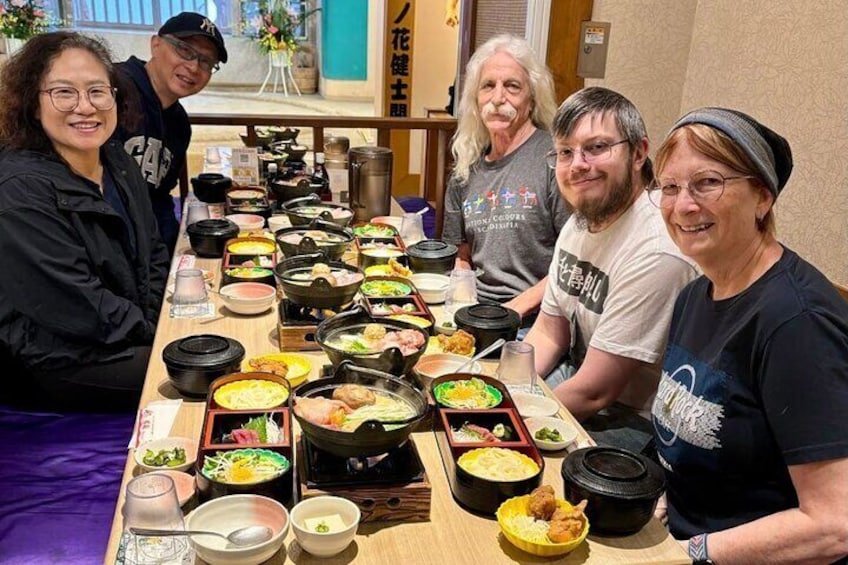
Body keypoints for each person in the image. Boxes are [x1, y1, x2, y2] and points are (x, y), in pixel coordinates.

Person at [648, 107, 848, 564]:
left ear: (763, 196)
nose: (683, 205)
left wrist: (686, 554)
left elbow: (834, 524)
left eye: (707, 183)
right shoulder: (697, 293)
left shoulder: (797, 322)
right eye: (670, 187)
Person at [0, 31, 170, 411]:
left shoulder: (116, 161)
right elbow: (77, 306)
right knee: (202, 371)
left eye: (97, 91)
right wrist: (157, 334)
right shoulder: (19, 191)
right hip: (55, 359)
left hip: (126, 332)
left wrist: (159, 321)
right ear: (32, 103)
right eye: (63, 92)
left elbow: (154, 251)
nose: (85, 106)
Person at [524, 87, 698, 453]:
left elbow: (596, 392)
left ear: (639, 153)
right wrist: (507, 390)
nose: (578, 164)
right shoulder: (581, 223)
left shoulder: (657, 249)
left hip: (637, 420)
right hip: (578, 379)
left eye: (597, 147)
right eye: (565, 152)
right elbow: (550, 333)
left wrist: (510, 419)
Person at [442, 34, 570, 325]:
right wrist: (464, 299)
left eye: (512, 86)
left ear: (532, 98)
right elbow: (460, 250)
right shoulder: (466, 165)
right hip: (476, 313)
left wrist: (511, 311)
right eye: (488, 86)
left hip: (537, 322)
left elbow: (576, 259)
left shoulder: (555, 159)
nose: (498, 98)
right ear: (476, 98)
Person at [114, 12, 228, 255]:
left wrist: (171, 252)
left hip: (145, 253)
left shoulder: (178, 124)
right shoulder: (110, 91)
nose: (194, 67)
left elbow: (160, 197)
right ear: (156, 44)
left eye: (206, 62)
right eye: (185, 51)